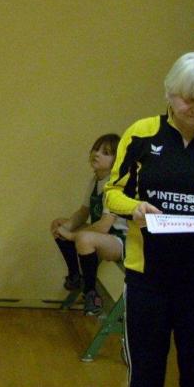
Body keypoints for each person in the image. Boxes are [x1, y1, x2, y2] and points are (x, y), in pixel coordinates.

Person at [103, 51, 194, 387]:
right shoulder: (142, 133)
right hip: (148, 276)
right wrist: (135, 208)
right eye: (188, 99)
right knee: (145, 373)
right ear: (169, 92)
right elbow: (112, 193)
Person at [50, 133, 126, 315]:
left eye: (105, 152)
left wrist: (71, 235)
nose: (97, 154)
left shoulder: (116, 184)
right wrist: (65, 228)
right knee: (58, 223)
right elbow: (83, 212)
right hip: (102, 235)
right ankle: (75, 276)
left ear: (117, 160)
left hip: (120, 241)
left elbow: (104, 226)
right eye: (96, 149)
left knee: (84, 238)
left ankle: (91, 293)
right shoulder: (96, 180)